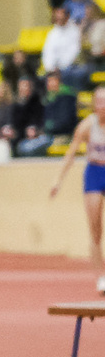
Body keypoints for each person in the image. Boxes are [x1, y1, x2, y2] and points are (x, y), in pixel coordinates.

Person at [47, 104, 105, 286]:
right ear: (95, 105)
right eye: (100, 102)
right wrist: (58, 180)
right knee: (95, 228)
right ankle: (102, 276)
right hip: (95, 172)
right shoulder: (87, 126)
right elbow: (71, 152)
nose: (103, 106)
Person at [42, 6, 83, 78]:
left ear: (67, 17)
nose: (59, 20)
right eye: (57, 18)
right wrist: (50, 67)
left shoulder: (75, 31)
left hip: (69, 67)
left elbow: (74, 51)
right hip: (53, 69)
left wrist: (61, 67)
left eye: (61, 17)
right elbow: (48, 51)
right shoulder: (52, 33)